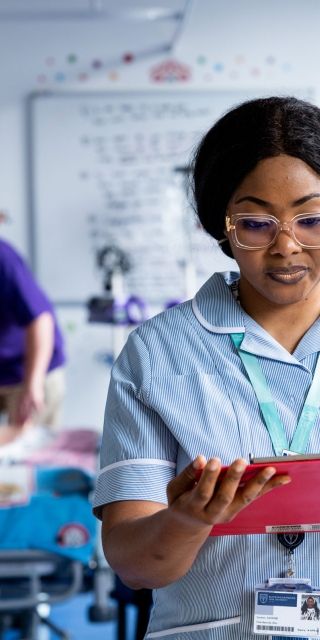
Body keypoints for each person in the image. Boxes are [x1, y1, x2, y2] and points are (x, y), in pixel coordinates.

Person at [93, 96, 320, 640]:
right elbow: (135, 564)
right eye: (256, 223)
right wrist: (189, 520)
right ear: (216, 223)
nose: (287, 246)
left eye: (312, 219)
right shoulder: (156, 353)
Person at [0, 238, 66, 436]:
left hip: (32, 370)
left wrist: (33, 384)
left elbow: (40, 320)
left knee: (29, 452)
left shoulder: (4, 258)